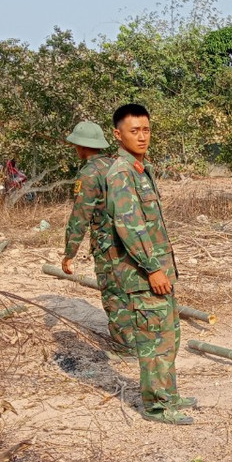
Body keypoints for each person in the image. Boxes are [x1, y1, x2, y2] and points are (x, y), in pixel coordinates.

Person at [103, 103, 195, 425]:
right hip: (143, 275)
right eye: (134, 131)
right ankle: (156, 406)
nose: (142, 137)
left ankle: (169, 394)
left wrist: (162, 268)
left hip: (159, 271)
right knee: (154, 342)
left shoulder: (143, 170)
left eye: (146, 130)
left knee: (169, 337)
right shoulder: (121, 174)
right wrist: (152, 268)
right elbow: (128, 226)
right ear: (118, 134)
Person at [60, 120, 132, 357]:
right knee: (132, 291)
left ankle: (125, 348)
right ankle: (142, 340)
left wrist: (69, 254)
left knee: (114, 294)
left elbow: (80, 216)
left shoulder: (89, 174)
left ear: (81, 147)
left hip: (108, 245)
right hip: (133, 241)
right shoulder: (118, 165)